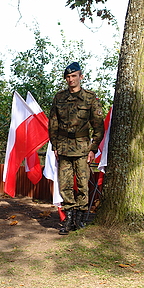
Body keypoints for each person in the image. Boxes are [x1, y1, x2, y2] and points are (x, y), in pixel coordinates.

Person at [48, 62, 104, 235]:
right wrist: (55, 145)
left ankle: (80, 219)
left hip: (82, 148)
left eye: (74, 76)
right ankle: (69, 220)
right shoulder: (59, 98)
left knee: (82, 185)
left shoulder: (90, 98)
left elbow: (99, 127)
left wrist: (93, 148)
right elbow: (53, 123)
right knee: (64, 185)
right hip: (64, 147)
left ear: (81, 76)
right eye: (68, 77)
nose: (71, 79)